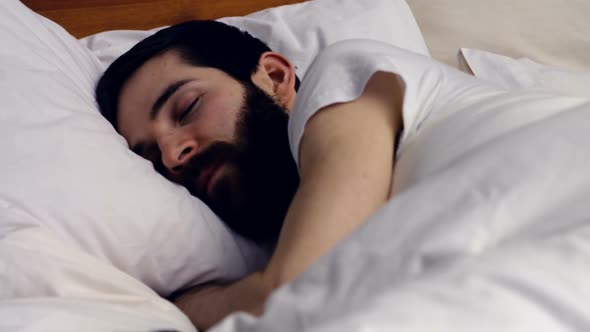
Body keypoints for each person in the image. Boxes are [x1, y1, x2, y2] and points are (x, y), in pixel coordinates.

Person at [96, 20, 499, 330]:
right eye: (149, 156)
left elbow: (296, 293)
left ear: (274, 76)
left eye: (186, 108)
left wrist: (188, 303)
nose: (171, 156)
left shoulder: (344, 75)